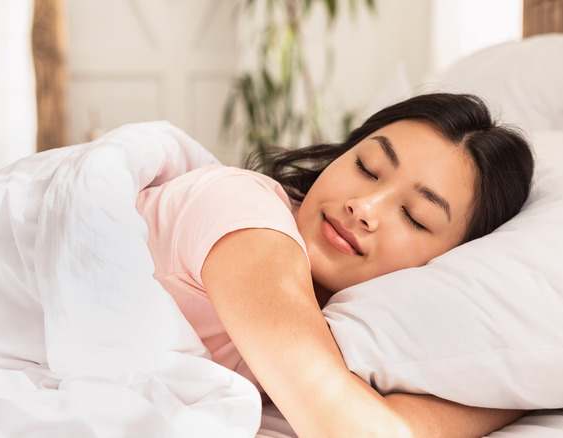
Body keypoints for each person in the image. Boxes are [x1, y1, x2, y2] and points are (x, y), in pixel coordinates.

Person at [135, 93, 534, 437]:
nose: (364, 207)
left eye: (414, 216)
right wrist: (511, 401)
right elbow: (349, 430)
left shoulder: (343, 322)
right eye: (367, 168)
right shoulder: (245, 217)